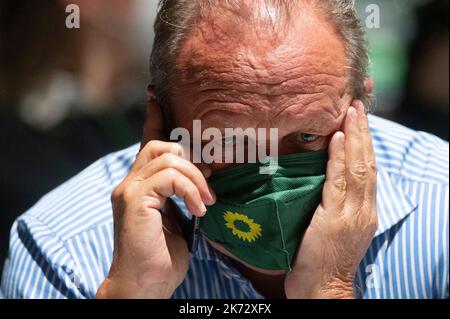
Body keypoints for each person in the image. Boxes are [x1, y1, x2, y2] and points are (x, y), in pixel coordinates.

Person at [1, 0, 448, 299]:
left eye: (307, 138)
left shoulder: (440, 211)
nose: (272, 180)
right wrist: (131, 291)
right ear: (162, 120)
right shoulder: (64, 245)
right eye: (232, 142)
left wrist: (329, 289)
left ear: (360, 104)